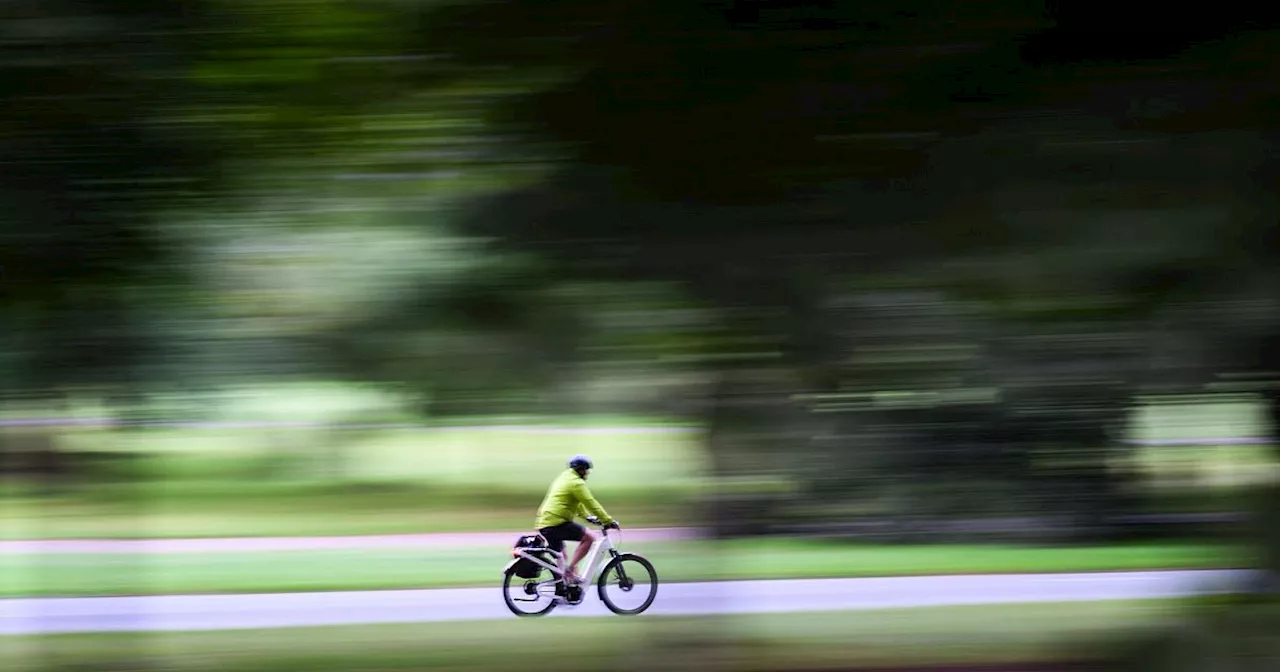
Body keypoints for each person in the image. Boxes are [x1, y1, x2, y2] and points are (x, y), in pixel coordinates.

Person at [534, 454, 620, 586]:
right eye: (586, 470)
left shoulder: (564, 478)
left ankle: (564, 588)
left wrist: (587, 517)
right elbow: (591, 502)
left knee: (562, 557)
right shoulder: (576, 483)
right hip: (556, 522)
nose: (587, 473)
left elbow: (576, 502)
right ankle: (570, 572)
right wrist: (607, 520)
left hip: (545, 523)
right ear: (580, 469)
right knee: (590, 538)